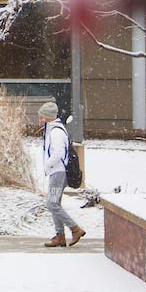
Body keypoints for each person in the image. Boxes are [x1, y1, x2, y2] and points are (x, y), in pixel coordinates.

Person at [40, 102, 85, 248]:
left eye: (42, 116)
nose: (40, 119)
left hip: (58, 172)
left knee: (51, 203)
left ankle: (75, 229)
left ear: (48, 117)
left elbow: (58, 153)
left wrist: (48, 164)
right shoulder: (53, 129)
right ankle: (60, 236)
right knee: (55, 203)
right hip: (56, 171)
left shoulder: (56, 132)